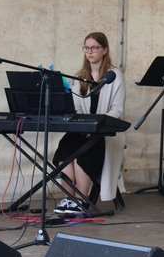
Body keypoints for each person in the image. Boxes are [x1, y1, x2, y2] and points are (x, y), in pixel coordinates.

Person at [53, 32, 126, 214]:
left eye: (94, 47)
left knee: (83, 153)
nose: (90, 51)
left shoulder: (115, 75)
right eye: (87, 47)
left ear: (105, 50)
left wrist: (98, 123)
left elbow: (117, 109)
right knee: (64, 148)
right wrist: (83, 123)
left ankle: (81, 200)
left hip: (104, 132)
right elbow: (76, 108)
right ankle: (69, 198)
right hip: (82, 130)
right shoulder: (80, 77)